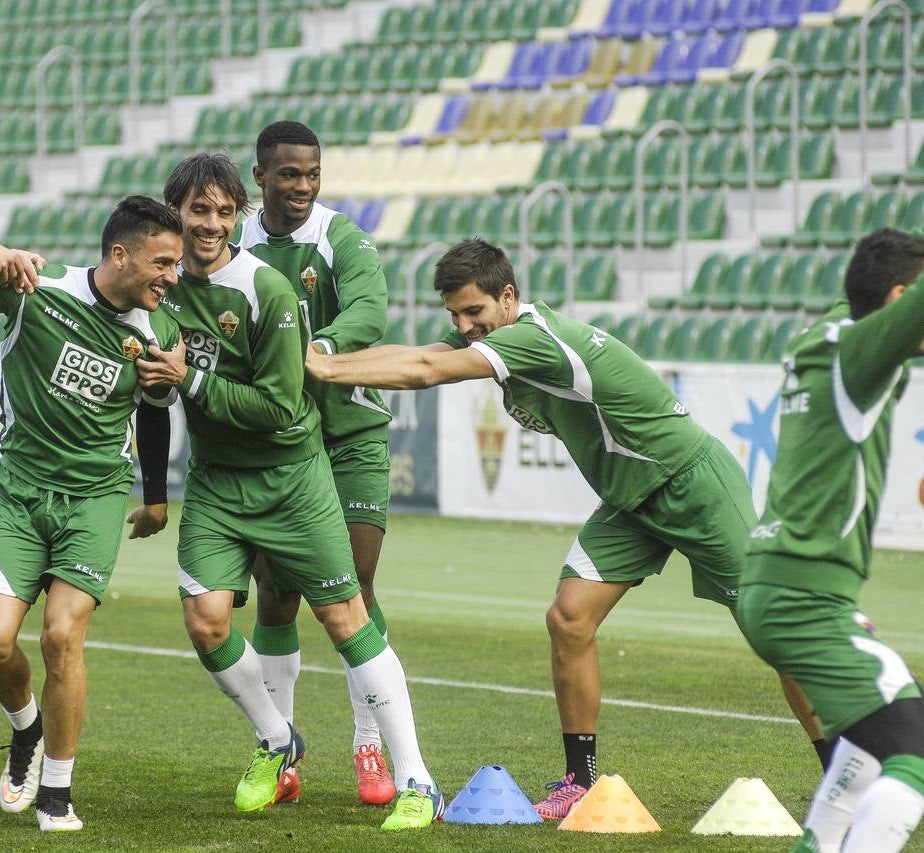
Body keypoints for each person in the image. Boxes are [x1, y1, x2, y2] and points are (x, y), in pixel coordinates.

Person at [305, 237, 825, 821]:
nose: (464, 326)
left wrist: (319, 364)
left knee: (773, 632)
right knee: (568, 619)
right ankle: (580, 780)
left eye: (473, 312)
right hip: (632, 499)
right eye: (454, 314)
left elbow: (427, 370)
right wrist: (321, 360)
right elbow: (421, 351)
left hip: (692, 484)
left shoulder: (535, 339)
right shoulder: (497, 334)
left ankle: (840, 775)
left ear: (508, 297)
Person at [135, 152, 442, 830]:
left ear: (238, 215)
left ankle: (416, 778)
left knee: (345, 617)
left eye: (223, 212)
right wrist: (154, 490)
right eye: (197, 211)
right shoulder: (159, 291)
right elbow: (148, 396)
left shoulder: (266, 289)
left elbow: (277, 406)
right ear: (174, 213)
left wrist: (188, 381)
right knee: (206, 620)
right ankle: (277, 740)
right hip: (215, 485)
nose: (210, 225)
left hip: (291, 478)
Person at [0, 196, 182, 833]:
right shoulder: (31, 289)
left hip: (95, 500)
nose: (172, 275)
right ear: (120, 254)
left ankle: (57, 792)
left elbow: (155, 409)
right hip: (22, 497)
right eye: (162, 262)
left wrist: (158, 494)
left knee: (61, 635)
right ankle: (26, 728)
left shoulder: (158, 328)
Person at [737, 228, 924, 853]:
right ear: (898, 298)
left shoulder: (821, 340)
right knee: (915, 753)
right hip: (801, 593)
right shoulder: (862, 350)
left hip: (783, 581)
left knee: (878, 721)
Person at [238, 120, 398, 805]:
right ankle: (277, 749)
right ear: (260, 177)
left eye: (311, 175)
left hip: (351, 434)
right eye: (287, 175)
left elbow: (371, 309)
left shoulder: (339, 237)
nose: (301, 187)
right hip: (276, 443)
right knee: (276, 591)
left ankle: (369, 743)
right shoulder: (233, 239)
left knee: (353, 588)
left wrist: (318, 347)